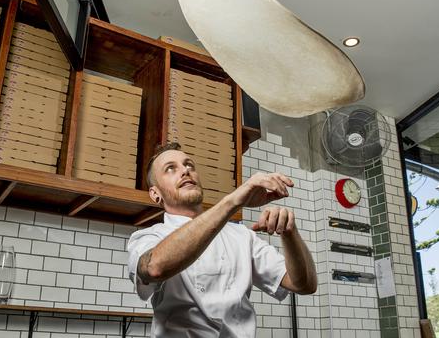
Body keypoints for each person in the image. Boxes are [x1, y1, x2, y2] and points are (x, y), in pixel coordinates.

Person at [127, 142, 317, 337]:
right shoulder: (148, 237)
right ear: (155, 194)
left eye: (189, 165)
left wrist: (289, 233)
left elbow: (303, 284)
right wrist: (234, 200)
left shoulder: (241, 236)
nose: (185, 171)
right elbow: (154, 267)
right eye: (170, 169)